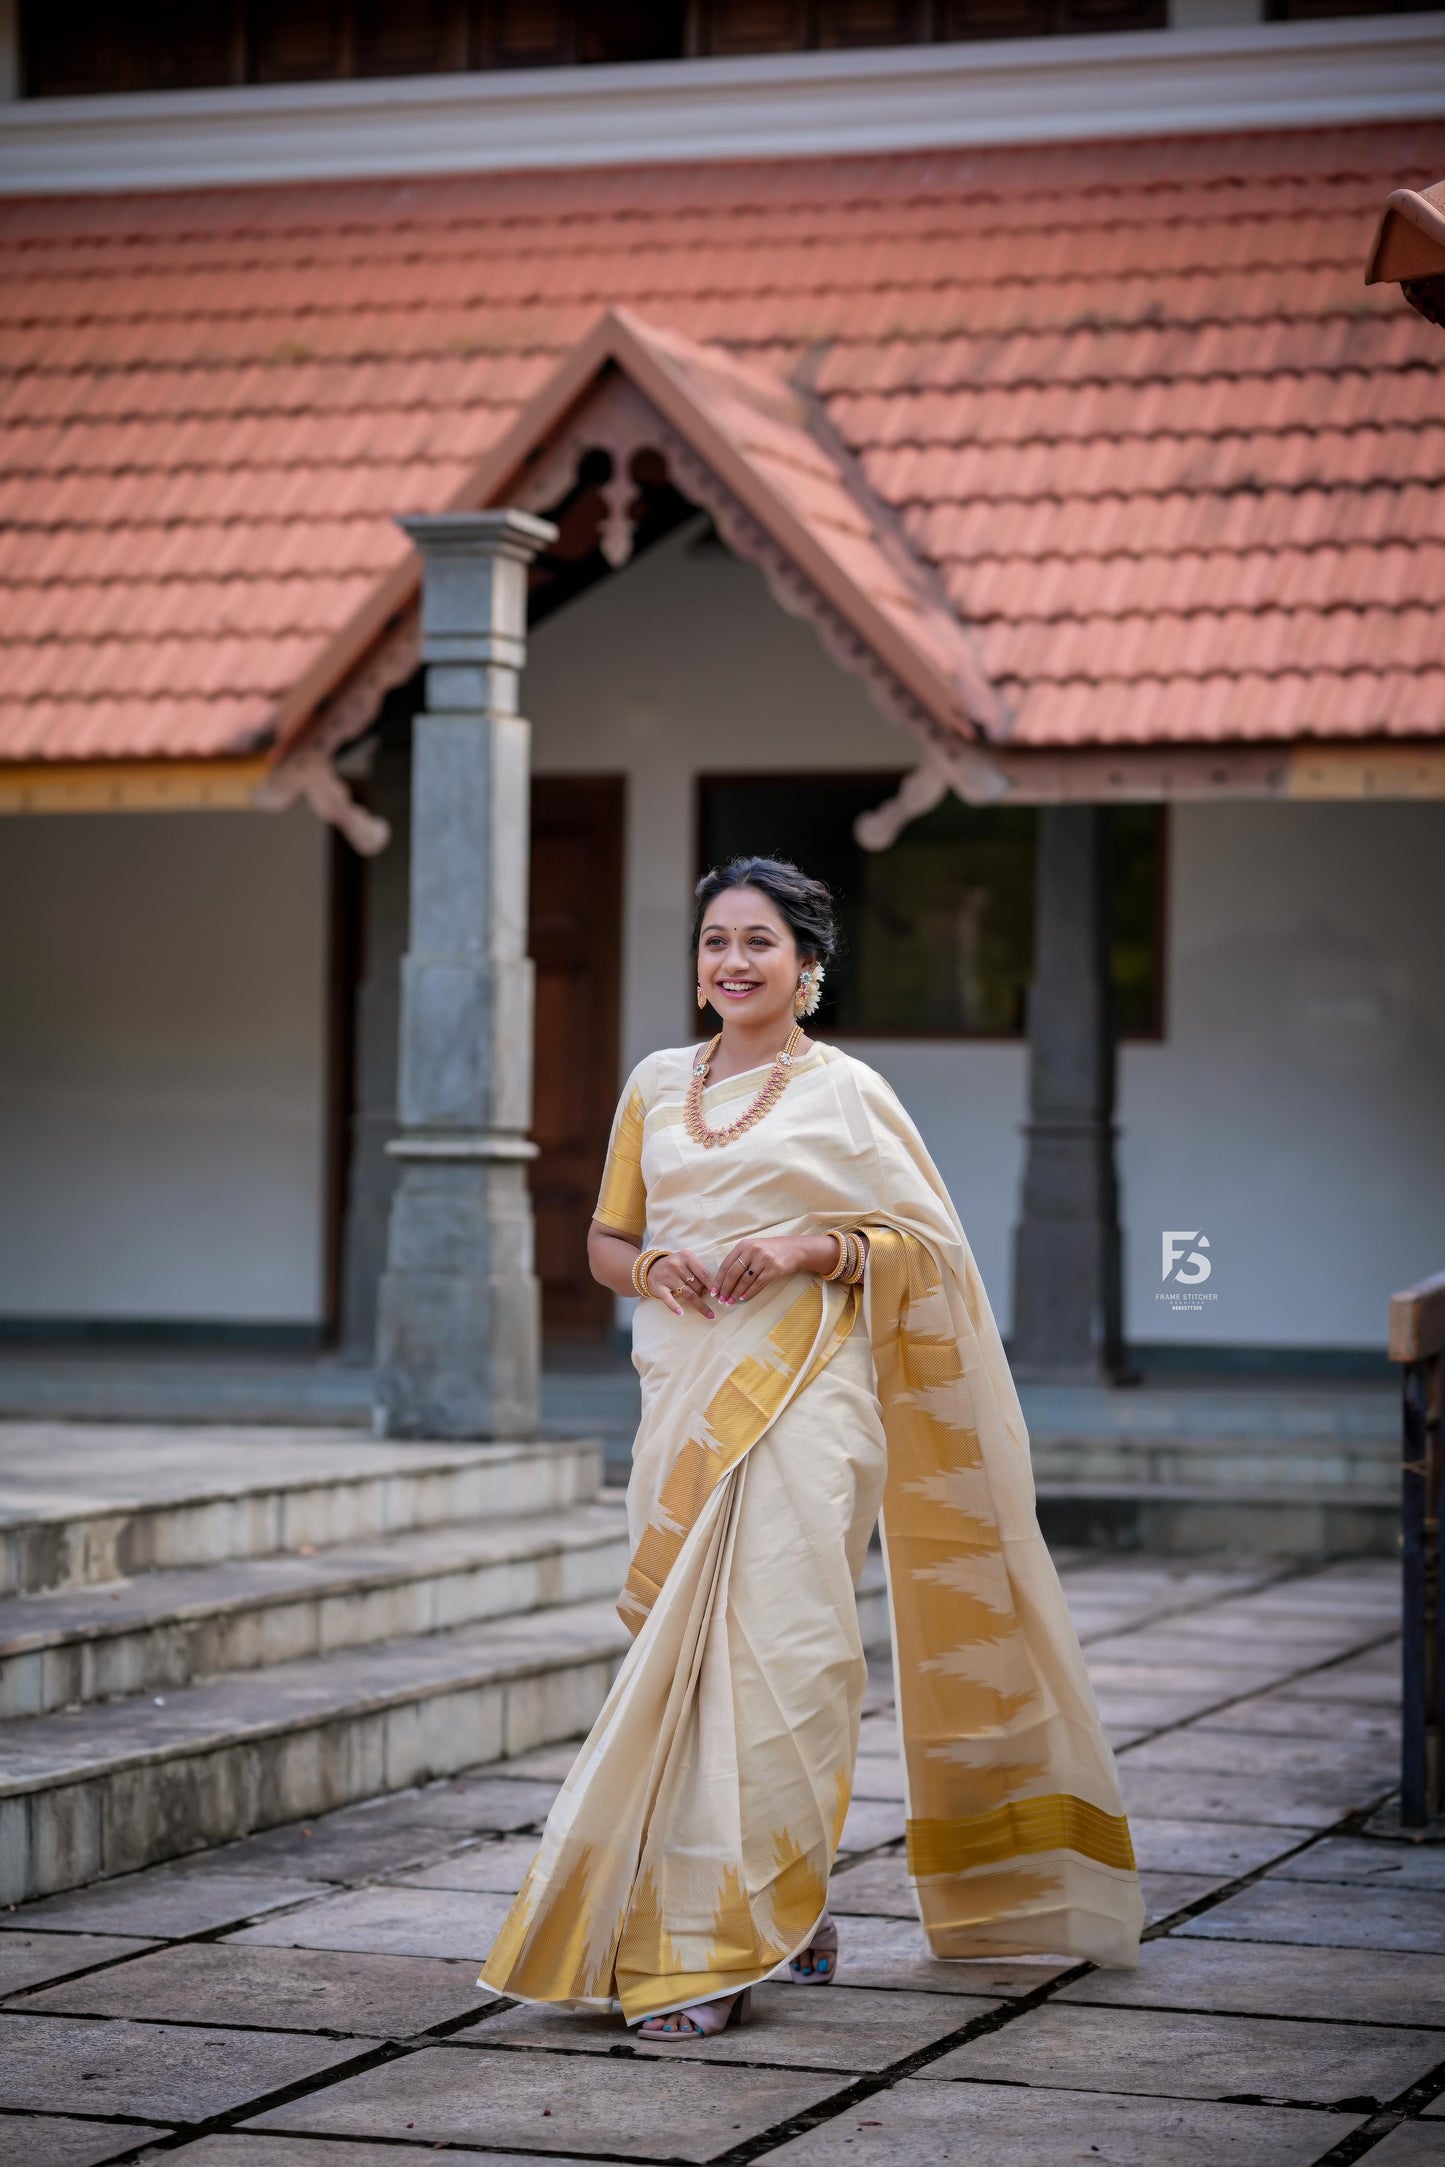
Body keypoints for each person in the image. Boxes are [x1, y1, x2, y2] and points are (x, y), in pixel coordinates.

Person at [479, 855, 1143, 2038]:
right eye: (714, 941)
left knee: (783, 1659)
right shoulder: (652, 1085)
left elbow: (928, 1252)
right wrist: (652, 1269)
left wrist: (808, 1250)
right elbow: (603, 1241)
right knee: (682, 1669)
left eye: (757, 943)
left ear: (807, 965)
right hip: (683, 1396)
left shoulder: (847, 1093)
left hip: (806, 1403)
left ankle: (721, 1948)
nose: (730, 962)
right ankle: (784, 1902)